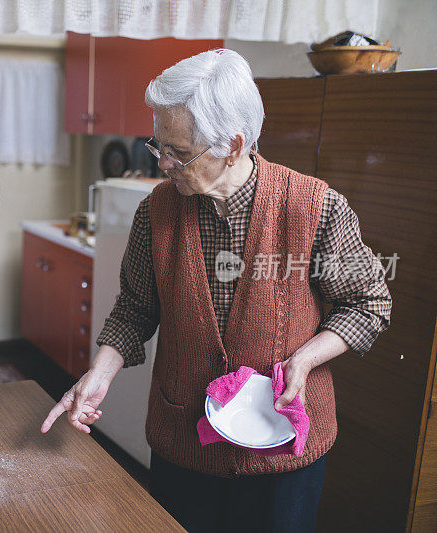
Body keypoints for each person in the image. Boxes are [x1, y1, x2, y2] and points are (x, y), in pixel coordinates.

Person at [40, 49, 391, 532]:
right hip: (184, 442)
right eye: (157, 146)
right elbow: (135, 309)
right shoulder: (156, 213)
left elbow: (368, 303)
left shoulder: (315, 207)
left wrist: (305, 359)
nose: (163, 163)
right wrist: (99, 373)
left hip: (283, 448)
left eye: (178, 152)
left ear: (234, 144)